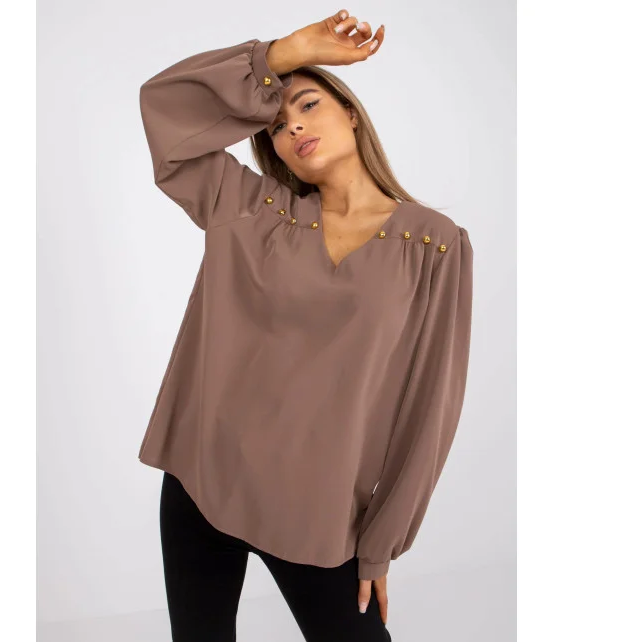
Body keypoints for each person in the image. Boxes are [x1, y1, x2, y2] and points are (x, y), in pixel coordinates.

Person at [137, 8, 474, 641]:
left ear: (351, 112)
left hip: (317, 513)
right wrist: (282, 54)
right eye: (277, 124)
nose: (292, 125)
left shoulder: (433, 242)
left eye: (310, 105)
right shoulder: (249, 210)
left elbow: (431, 405)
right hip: (202, 482)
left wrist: (378, 546)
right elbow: (163, 108)